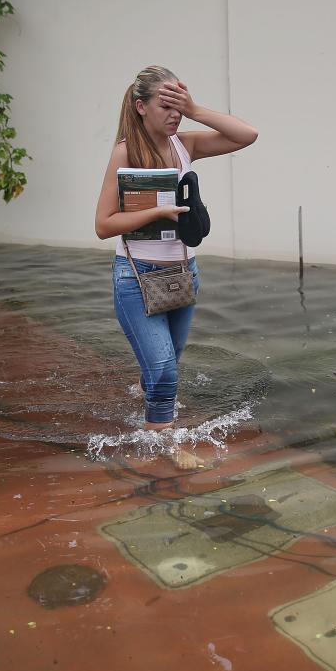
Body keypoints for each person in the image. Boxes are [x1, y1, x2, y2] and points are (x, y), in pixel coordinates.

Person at [95, 65, 257, 470]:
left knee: (169, 360)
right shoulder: (125, 152)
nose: (175, 115)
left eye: (179, 106)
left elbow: (247, 135)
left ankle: (147, 393)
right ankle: (162, 445)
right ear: (140, 107)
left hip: (183, 273)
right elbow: (103, 225)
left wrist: (197, 108)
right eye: (167, 105)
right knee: (165, 370)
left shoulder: (185, 144)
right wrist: (158, 212)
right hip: (136, 277)